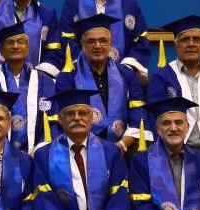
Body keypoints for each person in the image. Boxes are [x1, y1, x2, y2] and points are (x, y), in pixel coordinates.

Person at [28, 88, 133, 210]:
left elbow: (119, 194)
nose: (77, 118)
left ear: (91, 117)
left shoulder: (111, 152)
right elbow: (44, 197)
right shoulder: (44, 155)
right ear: (60, 119)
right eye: (70, 114)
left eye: (83, 113)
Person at [49, 12, 145, 150]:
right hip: (81, 148)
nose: (98, 46)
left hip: (121, 148)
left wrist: (122, 145)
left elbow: (138, 114)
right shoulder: (68, 77)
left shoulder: (126, 73)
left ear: (111, 44)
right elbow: (64, 119)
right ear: (82, 45)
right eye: (91, 41)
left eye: (103, 41)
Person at [143, 15, 200, 153]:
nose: (191, 44)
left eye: (197, 39)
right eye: (185, 39)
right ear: (176, 45)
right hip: (176, 153)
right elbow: (154, 119)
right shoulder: (161, 77)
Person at [0, 22, 57, 153]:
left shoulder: (45, 82)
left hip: (36, 154)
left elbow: (53, 122)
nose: (15, 46)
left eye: (20, 42)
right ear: (1, 51)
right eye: (10, 42)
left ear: (28, 47)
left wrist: (39, 151)